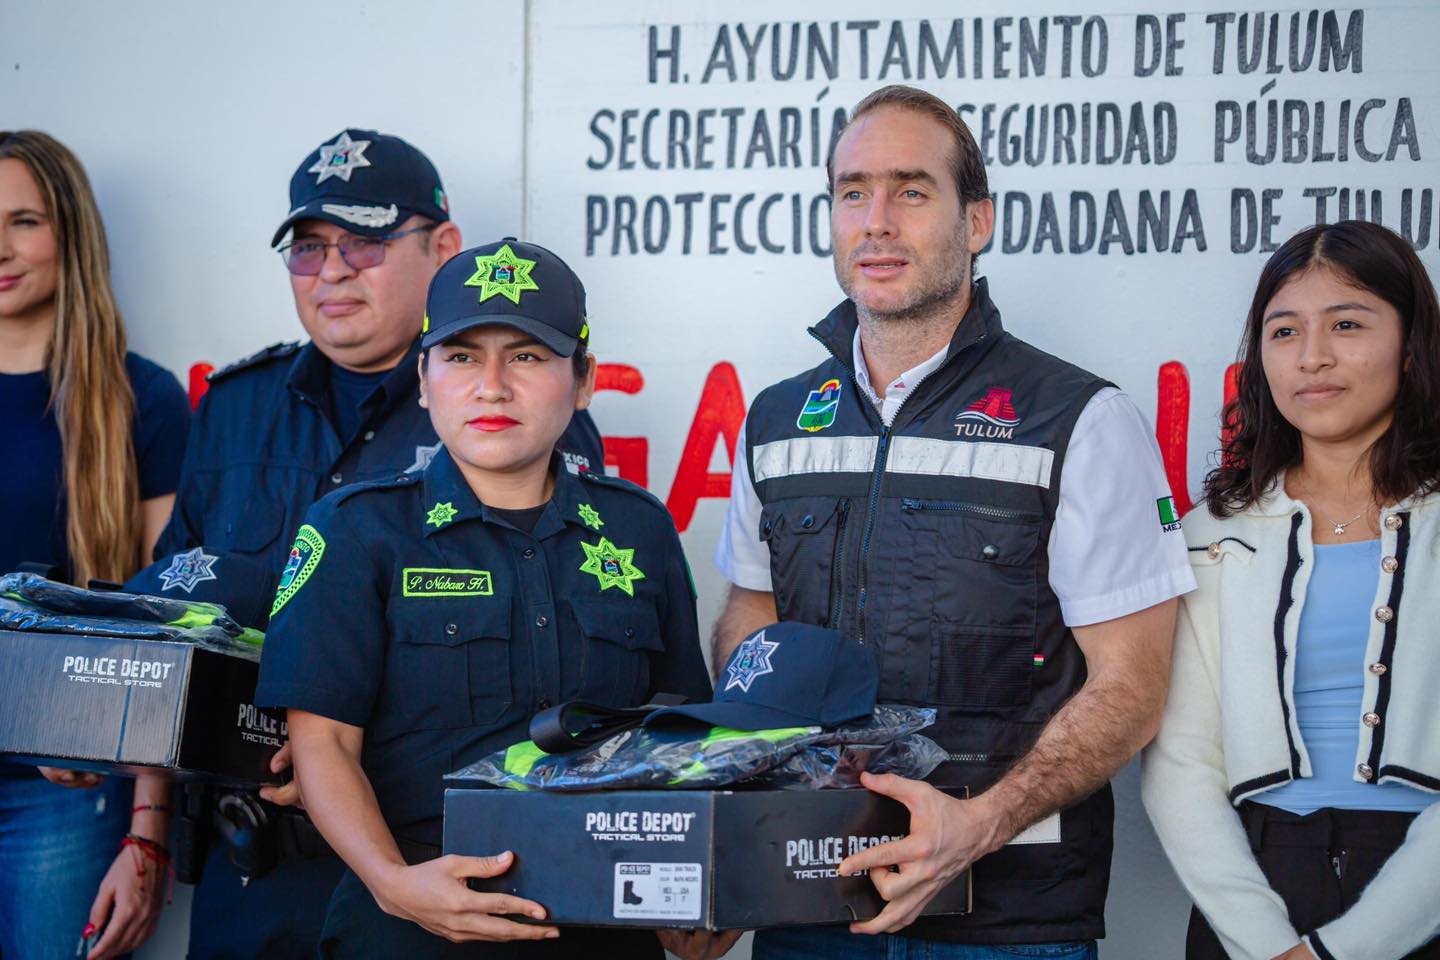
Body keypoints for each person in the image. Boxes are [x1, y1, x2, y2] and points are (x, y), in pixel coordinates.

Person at [710, 84, 1196, 958]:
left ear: (977, 222)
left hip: (1009, 923)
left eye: (912, 190)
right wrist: (742, 832)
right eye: (853, 192)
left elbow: (1133, 686)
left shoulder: (1079, 418)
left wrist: (981, 823)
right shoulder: (778, 420)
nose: (877, 222)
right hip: (809, 902)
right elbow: (754, 618)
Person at [140, 130, 607, 960]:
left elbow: (547, 657)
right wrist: (136, 806)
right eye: (308, 249)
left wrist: (327, 745)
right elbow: (177, 613)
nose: (332, 272)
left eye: (363, 241)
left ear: (444, 246)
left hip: (424, 864)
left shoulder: (512, 416)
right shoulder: (234, 406)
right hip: (250, 867)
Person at [254, 238, 712, 958]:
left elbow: (684, 737)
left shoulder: (640, 528)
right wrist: (392, 883)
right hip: (411, 922)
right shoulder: (355, 530)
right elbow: (324, 743)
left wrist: (696, 895)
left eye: (526, 356)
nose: (492, 387)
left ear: (584, 380)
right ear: (424, 378)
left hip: (603, 922)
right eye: (462, 357)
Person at [1141, 221, 1440, 960]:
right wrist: (1267, 944)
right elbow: (1181, 765)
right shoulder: (1210, 532)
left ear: (1410, 346)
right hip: (1256, 897)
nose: (1312, 357)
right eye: (1284, 331)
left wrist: (1348, 949)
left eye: (1347, 324)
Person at [0, 131, 190, 960]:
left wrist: (149, 827)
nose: (1, 249)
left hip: (67, 792)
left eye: (24, 221)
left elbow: (168, 625)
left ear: (70, 232)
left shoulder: (140, 397)